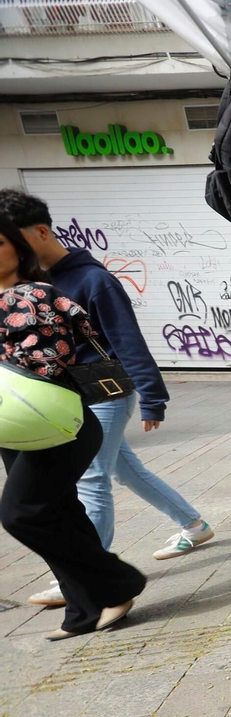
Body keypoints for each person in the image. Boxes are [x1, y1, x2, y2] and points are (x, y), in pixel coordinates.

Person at [0, 190, 213, 610]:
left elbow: (125, 339)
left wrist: (153, 397)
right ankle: (194, 523)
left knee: (90, 481)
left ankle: (87, 579)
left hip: (99, 394)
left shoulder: (93, 280)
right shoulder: (23, 284)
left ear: (38, 233)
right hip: (57, 401)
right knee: (123, 468)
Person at [0, 218, 145, 639]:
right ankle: (85, 610)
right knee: (60, 511)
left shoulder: (31, 296)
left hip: (55, 421)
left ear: (19, 248)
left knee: (21, 513)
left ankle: (119, 583)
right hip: (18, 424)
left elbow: (47, 361)